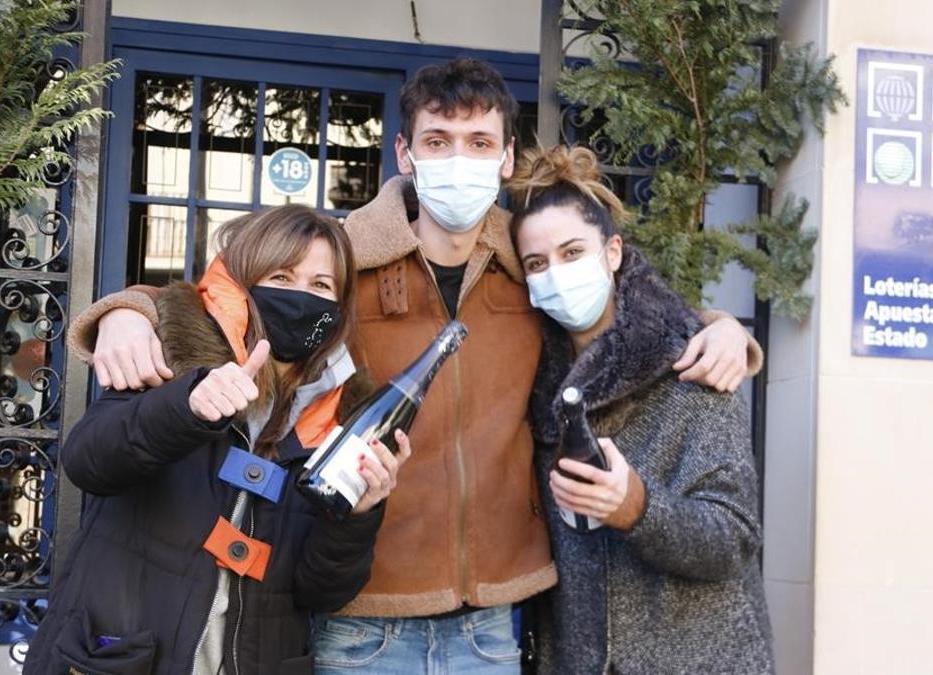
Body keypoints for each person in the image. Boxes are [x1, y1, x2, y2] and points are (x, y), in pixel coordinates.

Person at [66, 58, 763, 673]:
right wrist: (127, 309)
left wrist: (719, 328)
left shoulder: (532, 261)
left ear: (506, 158)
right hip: (358, 615)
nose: (458, 160)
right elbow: (226, 295)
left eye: (479, 142)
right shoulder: (337, 259)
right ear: (405, 151)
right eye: (438, 141)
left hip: (493, 619)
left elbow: (614, 306)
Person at [25, 206, 409, 675]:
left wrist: (357, 515)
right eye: (282, 277)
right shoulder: (170, 347)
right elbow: (89, 460)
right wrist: (186, 408)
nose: (301, 297)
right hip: (121, 657)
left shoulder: (347, 416)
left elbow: (320, 592)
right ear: (245, 280)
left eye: (321, 285)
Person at [508, 145, 774, 674]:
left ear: (612, 251)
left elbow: (734, 539)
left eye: (572, 252)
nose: (556, 274)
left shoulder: (693, 364)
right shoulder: (531, 383)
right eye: (537, 263)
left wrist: (638, 507)